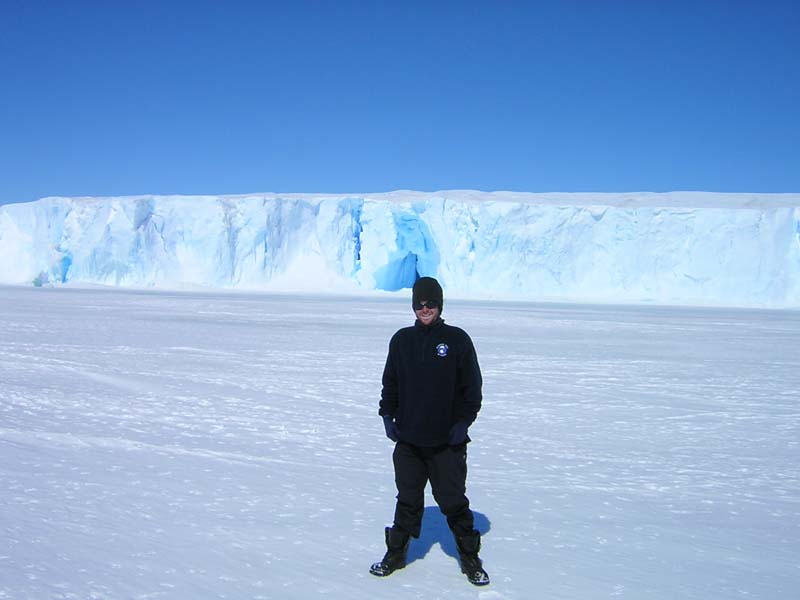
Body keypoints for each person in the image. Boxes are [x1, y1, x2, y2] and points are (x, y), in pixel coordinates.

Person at [369, 276, 489, 586]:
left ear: (440, 305)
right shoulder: (401, 341)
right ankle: (395, 554)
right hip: (408, 441)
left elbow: (472, 390)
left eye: (431, 303)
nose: (425, 309)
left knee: (452, 501)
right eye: (420, 304)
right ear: (413, 306)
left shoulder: (457, 340)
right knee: (407, 499)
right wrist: (387, 417)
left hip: (446, 443)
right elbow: (390, 383)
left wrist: (462, 424)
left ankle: (470, 557)